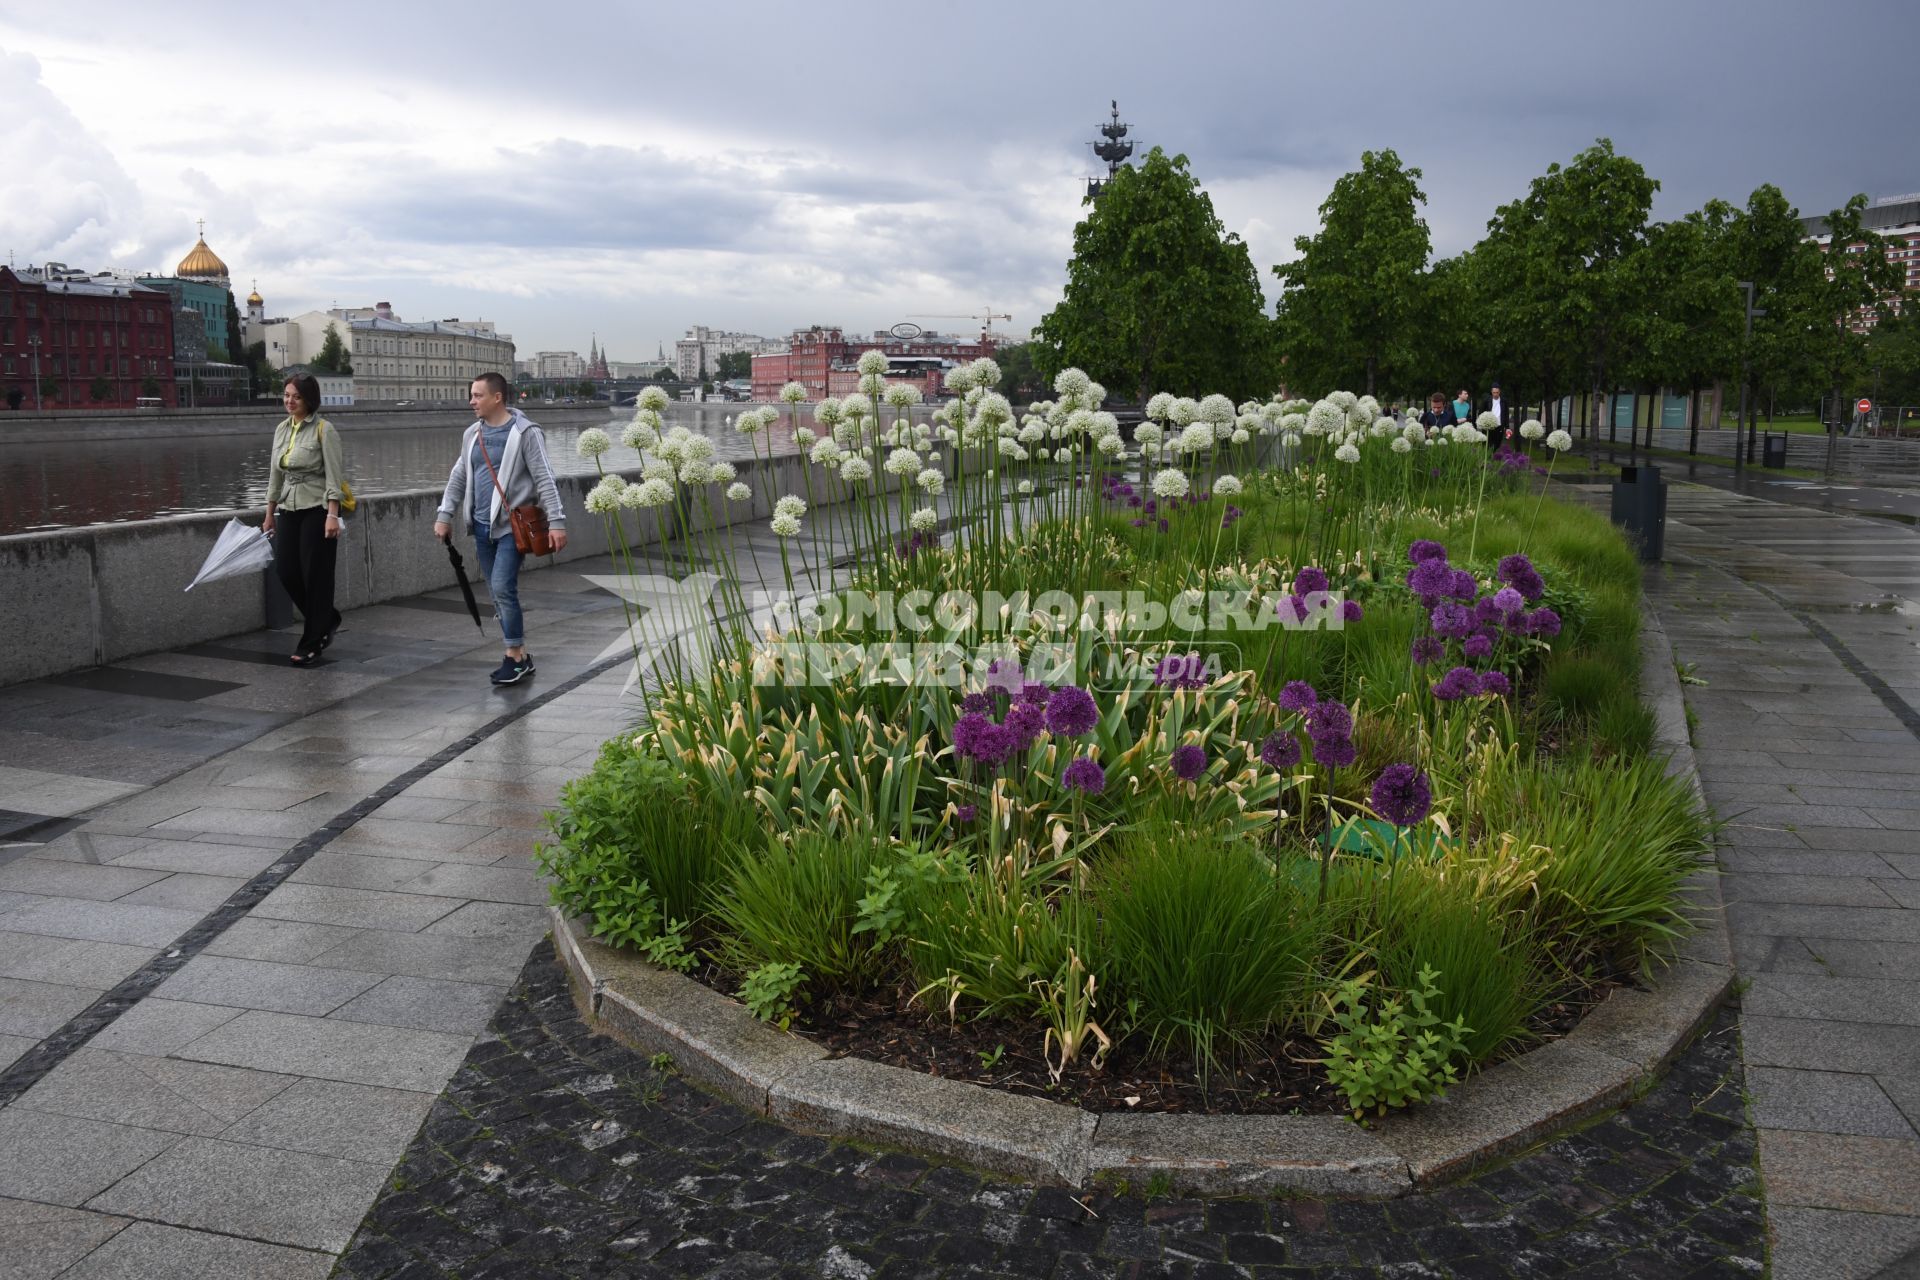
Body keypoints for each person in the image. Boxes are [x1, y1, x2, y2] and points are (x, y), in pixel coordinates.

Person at [433, 374, 568, 685]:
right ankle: (520, 656)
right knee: (496, 590)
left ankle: (515, 656)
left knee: (503, 588)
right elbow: (458, 477)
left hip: (512, 527)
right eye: (471, 395)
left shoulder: (525, 433)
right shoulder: (472, 434)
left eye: (477, 395)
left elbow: (545, 478)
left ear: (497, 398)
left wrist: (557, 522)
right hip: (482, 527)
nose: (471, 401)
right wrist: (445, 515)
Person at [263, 374, 347, 666]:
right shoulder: (281, 430)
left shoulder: (324, 430)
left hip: (317, 508)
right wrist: (269, 513)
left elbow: (335, 476)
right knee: (286, 571)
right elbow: (275, 475)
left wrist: (332, 514)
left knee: (317, 576)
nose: (289, 401)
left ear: (309, 399)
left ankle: (312, 642)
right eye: (286, 395)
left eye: (295, 396)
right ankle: (328, 618)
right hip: (288, 507)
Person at [1485, 383, 1511, 449]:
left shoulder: (1504, 401)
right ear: (1491, 392)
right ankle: (1488, 457)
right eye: (1494, 392)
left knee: (1497, 444)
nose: (1495, 394)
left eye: (1497, 392)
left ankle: (1494, 456)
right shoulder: (1487, 401)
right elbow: (1481, 413)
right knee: (1488, 444)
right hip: (1489, 426)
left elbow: (1506, 414)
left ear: (1499, 392)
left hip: (1499, 426)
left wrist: (1507, 427)